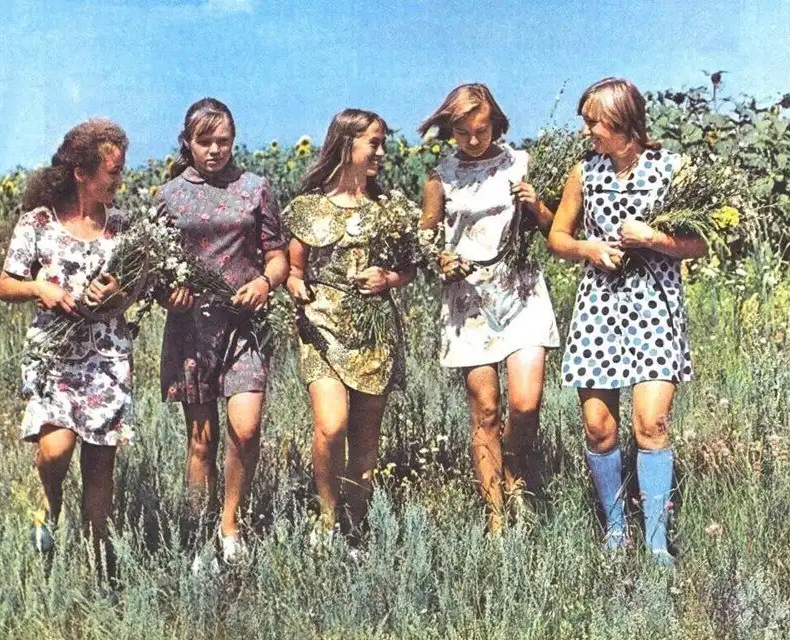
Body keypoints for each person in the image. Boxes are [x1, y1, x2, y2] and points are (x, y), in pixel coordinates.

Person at [548, 78, 707, 563]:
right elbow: (557, 236)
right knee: (598, 428)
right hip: (598, 308)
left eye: (593, 121)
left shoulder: (673, 168)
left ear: (622, 121)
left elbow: (698, 244)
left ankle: (657, 542)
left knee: (651, 424)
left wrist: (653, 238)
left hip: (655, 307)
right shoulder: (584, 172)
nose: (587, 131)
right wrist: (589, 249)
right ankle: (616, 531)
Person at [419, 84, 560, 532]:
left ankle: (515, 469)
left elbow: (557, 229)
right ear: (450, 130)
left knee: (526, 403)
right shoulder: (440, 177)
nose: (474, 140)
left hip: (521, 290)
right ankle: (496, 516)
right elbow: (425, 239)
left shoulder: (521, 164)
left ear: (496, 123)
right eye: (462, 133)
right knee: (486, 410)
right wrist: (441, 259)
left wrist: (538, 206)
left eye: (481, 130)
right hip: (468, 299)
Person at [0, 119, 133, 579]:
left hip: (107, 359)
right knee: (55, 453)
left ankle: (100, 569)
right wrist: (41, 288)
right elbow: (4, 284)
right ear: (81, 172)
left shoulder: (122, 226)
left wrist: (117, 292)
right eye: (112, 172)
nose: (119, 180)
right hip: (54, 358)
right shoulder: (38, 222)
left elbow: (137, 289)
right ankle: (46, 516)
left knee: (99, 468)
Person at [157, 98, 288, 564]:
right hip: (191, 330)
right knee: (202, 439)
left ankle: (230, 528)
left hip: (245, 327)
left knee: (246, 430)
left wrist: (264, 282)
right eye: (204, 141)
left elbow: (277, 255)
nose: (215, 150)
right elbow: (155, 267)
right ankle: (198, 541)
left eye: (223, 141)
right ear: (187, 142)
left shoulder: (255, 188)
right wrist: (168, 293)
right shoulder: (168, 195)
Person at [283, 109, 416, 542]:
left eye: (383, 144)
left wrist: (387, 278)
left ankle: (355, 527)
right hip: (322, 329)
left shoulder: (388, 209)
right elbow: (294, 269)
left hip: (373, 332)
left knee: (365, 437)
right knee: (331, 424)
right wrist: (296, 286)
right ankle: (325, 519)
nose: (381, 152)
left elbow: (409, 268)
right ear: (346, 143)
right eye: (373, 143)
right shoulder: (309, 208)